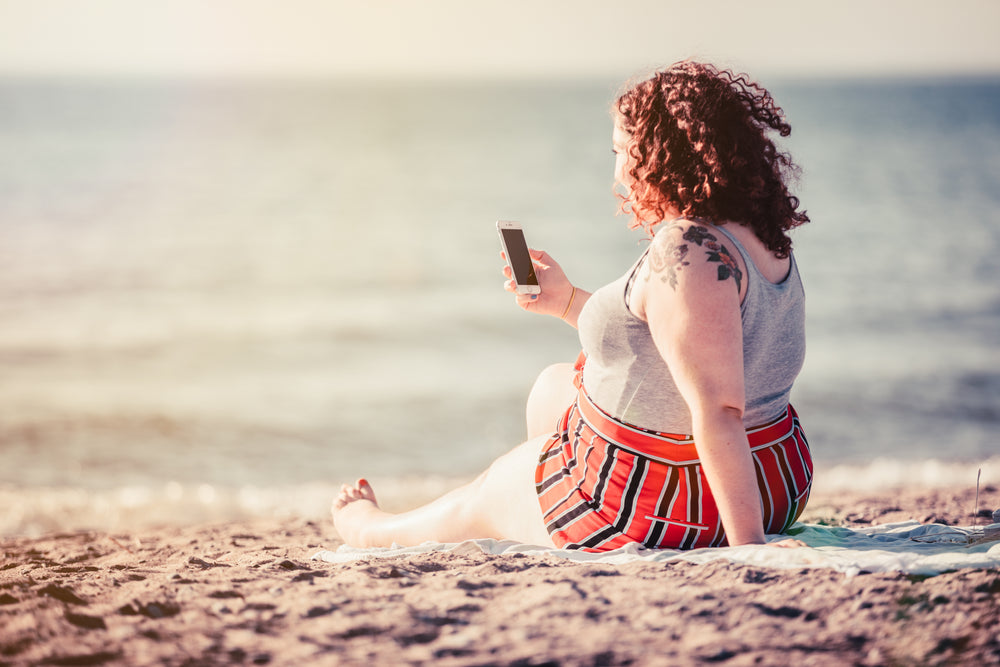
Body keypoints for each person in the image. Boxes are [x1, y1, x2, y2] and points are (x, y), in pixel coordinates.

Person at [333, 60, 812, 551]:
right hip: (771, 478)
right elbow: (675, 343)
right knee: (553, 387)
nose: (619, 171)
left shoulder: (687, 252)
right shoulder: (761, 239)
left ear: (658, 156)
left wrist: (751, 548)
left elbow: (719, 409)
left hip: (674, 503)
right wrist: (565, 303)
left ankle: (370, 530)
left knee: (482, 496)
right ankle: (558, 482)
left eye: (621, 151)